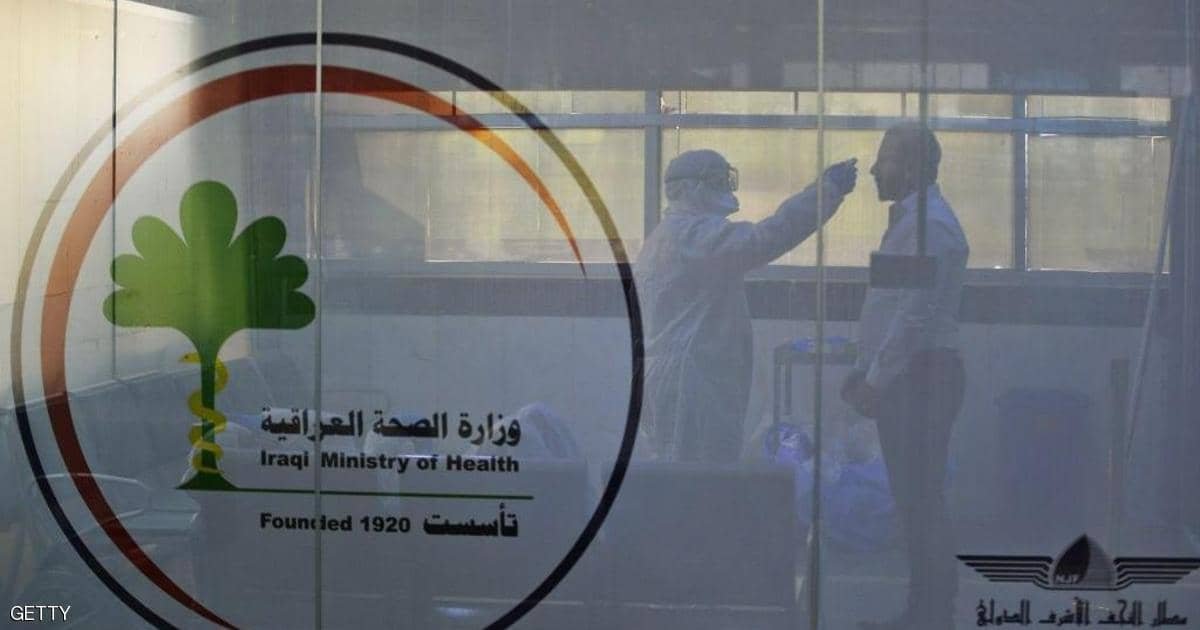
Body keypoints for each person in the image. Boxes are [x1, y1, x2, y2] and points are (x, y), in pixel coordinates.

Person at [635, 149, 857, 462]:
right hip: (690, 382)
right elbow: (766, 238)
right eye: (716, 181)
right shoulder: (692, 235)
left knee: (683, 470)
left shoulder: (669, 235)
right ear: (690, 188)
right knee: (700, 475)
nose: (725, 188)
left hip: (679, 377)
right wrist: (825, 193)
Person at [842, 123, 969, 630]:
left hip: (921, 377)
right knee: (915, 503)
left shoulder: (928, 227)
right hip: (911, 375)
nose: (875, 169)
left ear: (913, 168)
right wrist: (865, 369)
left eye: (885, 159)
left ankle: (932, 614)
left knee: (920, 503)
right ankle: (925, 612)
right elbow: (888, 307)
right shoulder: (911, 223)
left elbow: (914, 316)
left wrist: (876, 380)